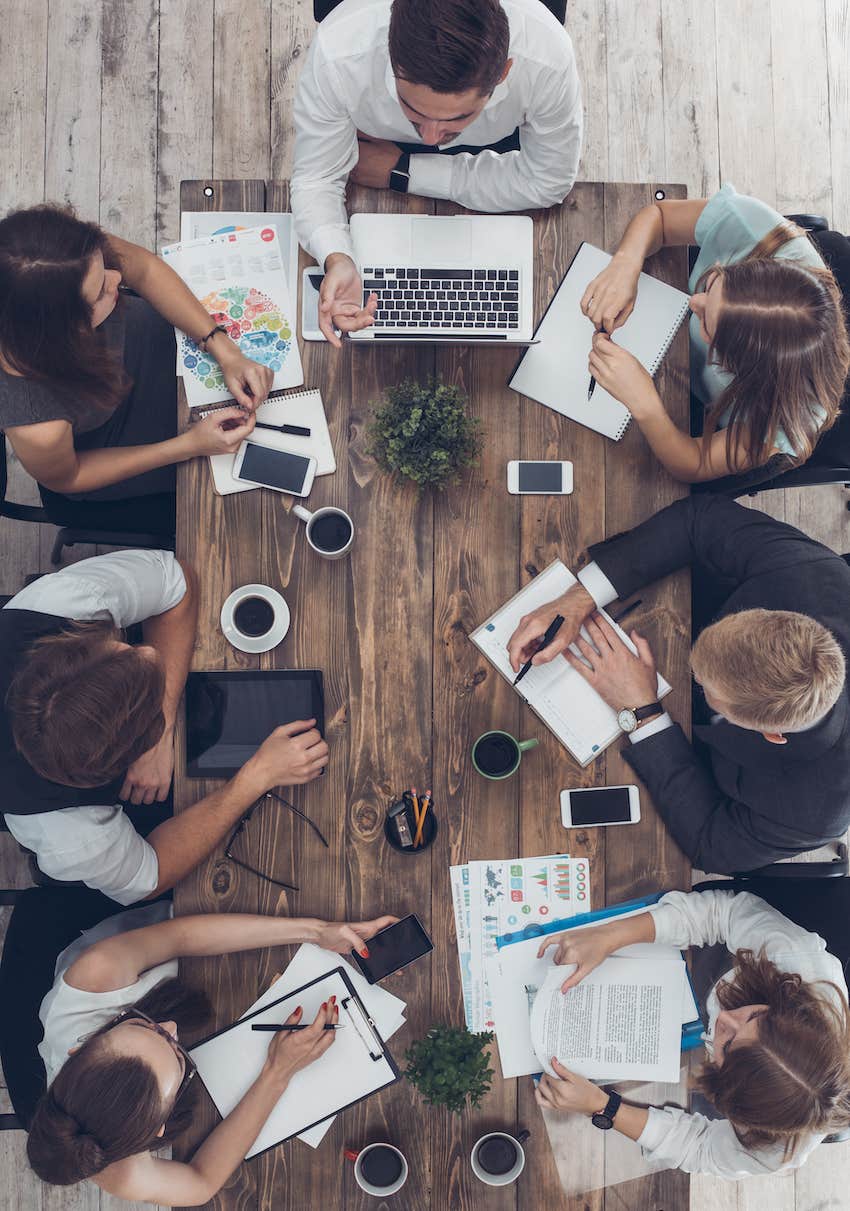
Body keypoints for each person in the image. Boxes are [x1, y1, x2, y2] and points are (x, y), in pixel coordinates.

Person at [506, 493, 850, 873]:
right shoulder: (815, 577)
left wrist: (643, 712)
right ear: (773, 616)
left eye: (704, 685)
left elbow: (711, 845)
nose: (691, 674)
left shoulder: (815, 811)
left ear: (772, 733)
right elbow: (700, 518)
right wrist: (576, 600)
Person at [1, 549, 329, 904]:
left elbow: (178, 583)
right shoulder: (69, 834)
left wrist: (165, 723)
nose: (149, 652)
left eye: (122, 648)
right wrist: (256, 777)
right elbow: (150, 877)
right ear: (126, 755)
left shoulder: (62, 604)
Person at [25, 905, 398, 1201]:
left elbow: (180, 936)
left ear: (81, 1047)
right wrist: (277, 1073)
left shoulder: (96, 976)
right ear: (158, 1128)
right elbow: (201, 1184)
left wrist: (316, 931)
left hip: (162, 942)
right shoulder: (114, 1165)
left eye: (139, 1023)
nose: (171, 1028)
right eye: (176, 1055)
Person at [291, 0, 583, 345]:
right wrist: (337, 256)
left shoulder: (547, 59)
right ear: (389, 56)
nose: (429, 138)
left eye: (455, 118)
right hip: (370, 139)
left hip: (485, 146)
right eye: (412, 110)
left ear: (504, 73)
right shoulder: (339, 52)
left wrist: (403, 170)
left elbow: (549, 180)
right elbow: (316, 178)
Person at [533, 888, 850, 1178]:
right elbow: (720, 914)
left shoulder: (776, 1153)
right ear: (786, 1009)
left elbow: (700, 1149)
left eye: (726, 1046)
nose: (725, 1019)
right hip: (713, 964)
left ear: (729, 1099)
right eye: (755, 1015)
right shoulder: (797, 961)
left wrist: (603, 1106)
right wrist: (609, 937)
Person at [0, 204, 266, 534]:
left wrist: (222, 347)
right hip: (121, 445)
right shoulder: (36, 421)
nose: (117, 279)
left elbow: (145, 270)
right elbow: (70, 477)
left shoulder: (52, 255)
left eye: (104, 268)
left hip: (154, 351)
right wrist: (189, 446)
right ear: (64, 332)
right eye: (100, 292)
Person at [580, 185, 850, 482]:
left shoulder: (785, 419)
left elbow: (695, 464)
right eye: (712, 284)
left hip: (694, 416)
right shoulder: (759, 230)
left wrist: (645, 404)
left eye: (706, 323)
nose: (693, 301)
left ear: (738, 365)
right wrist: (625, 264)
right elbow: (659, 215)